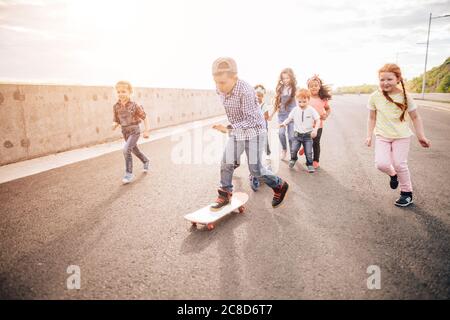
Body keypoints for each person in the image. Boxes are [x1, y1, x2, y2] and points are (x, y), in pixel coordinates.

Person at [210, 57, 289, 209]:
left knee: (256, 170)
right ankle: (224, 193)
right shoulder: (219, 88)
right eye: (216, 82)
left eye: (223, 83)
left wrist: (228, 129)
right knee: (226, 161)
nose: (219, 87)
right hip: (238, 130)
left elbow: (251, 121)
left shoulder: (245, 90)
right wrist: (231, 128)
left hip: (255, 132)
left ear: (235, 78)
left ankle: (279, 185)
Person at [366, 64, 431, 207]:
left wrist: (421, 136)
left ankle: (406, 193)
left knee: (399, 164)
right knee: (381, 164)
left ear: (398, 79)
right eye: (382, 79)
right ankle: (393, 174)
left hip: (401, 137)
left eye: (389, 79)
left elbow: (415, 117)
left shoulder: (405, 97)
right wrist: (369, 135)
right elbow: (371, 118)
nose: (385, 82)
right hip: (382, 136)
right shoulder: (375, 96)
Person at [112, 81, 150, 184]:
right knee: (134, 150)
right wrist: (115, 124)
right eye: (118, 91)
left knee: (126, 149)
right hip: (125, 132)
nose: (121, 94)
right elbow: (116, 120)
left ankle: (129, 173)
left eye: (123, 91)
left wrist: (146, 131)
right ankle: (145, 161)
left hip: (134, 131)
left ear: (130, 92)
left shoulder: (134, 105)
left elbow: (145, 117)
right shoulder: (116, 106)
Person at [280, 88, 320, 173]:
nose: (301, 104)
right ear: (296, 100)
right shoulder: (295, 109)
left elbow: (318, 120)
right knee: (294, 149)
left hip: (308, 136)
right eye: (299, 101)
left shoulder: (311, 109)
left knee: (308, 152)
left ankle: (309, 164)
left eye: (304, 101)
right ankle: (293, 159)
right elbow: (289, 118)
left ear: (308, 100)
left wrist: (315, 130)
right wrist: (284, 123)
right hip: (297, 135)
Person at [298, 75, 332, 169]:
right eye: (311, 86)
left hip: (318, 125)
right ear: (308, 88)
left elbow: (328, 109)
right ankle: (306, 152)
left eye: (316, 85)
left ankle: (316, 160)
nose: (314, 87)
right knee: (307, 142)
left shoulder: (323, 99)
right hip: (307, 125)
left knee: (316, 142)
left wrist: (326, 115)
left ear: (319, 86)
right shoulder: (307, 98)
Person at [273, 68, 297, 160]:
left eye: (287, 78)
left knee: (291, 136)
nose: (285, 80)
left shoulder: (294, 89)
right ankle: (284, 149)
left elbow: (300, 102)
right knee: (281, 133)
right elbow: (277, 102)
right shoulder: (280, 89)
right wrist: (271, 115)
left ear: (291, 78)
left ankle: (292, 152)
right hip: (282, 115)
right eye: (283, 78)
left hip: (291, 116)